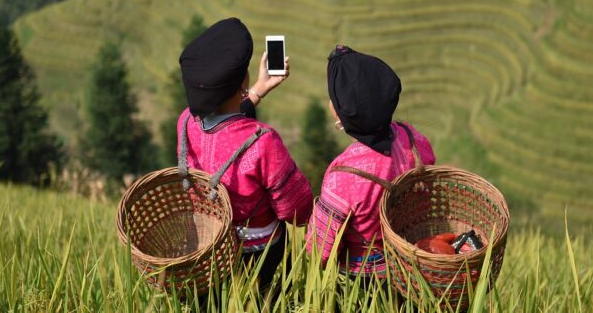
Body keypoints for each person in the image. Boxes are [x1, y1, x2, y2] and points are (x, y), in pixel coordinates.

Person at [177, 17, 313, 291]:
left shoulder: (185, 123)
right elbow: (297, 210)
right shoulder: (263, 141)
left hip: (210, 247)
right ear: (242, 81)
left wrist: (257, 91)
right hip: (259, 257)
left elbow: (224, 127)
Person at [306, 45, 436, 279]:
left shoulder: (343, 174)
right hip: (413, 269)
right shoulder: (413, 139)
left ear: (339, 112)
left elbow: (320, 249)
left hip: (363, 283)